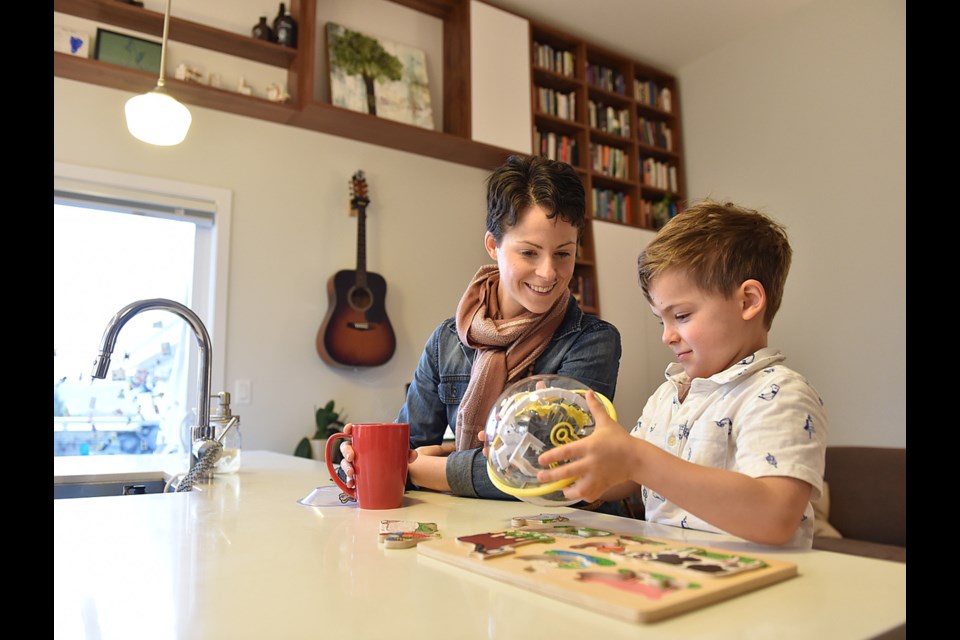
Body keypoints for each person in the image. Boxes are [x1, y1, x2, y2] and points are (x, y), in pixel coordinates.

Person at [537, 201, 828, 548]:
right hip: (675, 581)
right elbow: (621, 481)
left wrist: (636, 458)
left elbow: (775, 516)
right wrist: (571, 453)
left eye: (683, 315)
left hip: (759, 591)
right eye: (662, 320)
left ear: (748, 301)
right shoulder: (667, 396)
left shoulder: (781, 393)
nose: (667, 335)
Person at [339, 154, 622, 504]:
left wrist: (432, 469)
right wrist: (363, 458)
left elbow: (555, 473)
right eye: (530, 253)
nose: (548, 273)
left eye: (563, 254)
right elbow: (409, 448)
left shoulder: (593, 341)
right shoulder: (447, 341)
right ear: (493, 246)